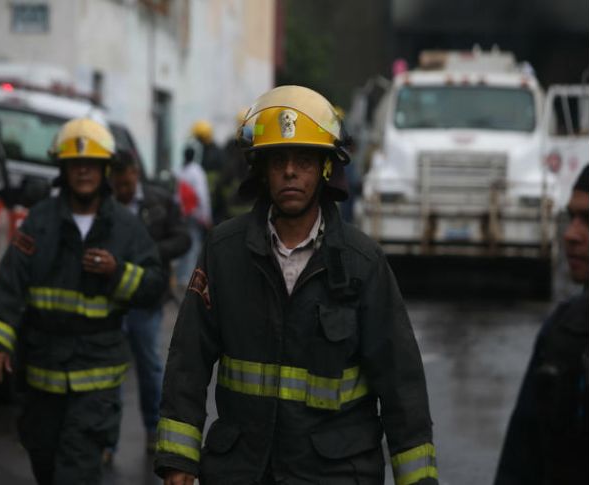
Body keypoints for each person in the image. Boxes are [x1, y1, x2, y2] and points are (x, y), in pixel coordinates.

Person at [154, 86, 438, 485]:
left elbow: (400, 382)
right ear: (262, 169)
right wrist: (178, 461)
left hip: (335, 474)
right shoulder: (224, 252)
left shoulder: (363, 263)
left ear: (325, 169)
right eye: (279, 160)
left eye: (304, 160)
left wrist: (419, 480)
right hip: (242, 470)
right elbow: (188, 359)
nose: (290, 171)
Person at [0, 117, 166, 485]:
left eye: (91, 164)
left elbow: (154, 285)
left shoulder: (126, 229)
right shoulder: (38, 223)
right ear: (63, 170)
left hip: (96, 381)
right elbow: (10, 284)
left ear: (104, 170)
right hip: (42, 375)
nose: (83, 171)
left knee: (77, 472)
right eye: (75, 164)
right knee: (46, 465)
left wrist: (117, 272)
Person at [494, 165, 589, 485]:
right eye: (572, 217)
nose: (571, 234)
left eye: (588, 220)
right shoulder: (563, 331)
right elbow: (520, 463)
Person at [107, 151, 191, 459]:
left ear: (135, 174)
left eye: (127, 183)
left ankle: (154, 432)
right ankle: (107, 441)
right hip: (112, 301)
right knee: (108, 372)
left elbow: (183, 239)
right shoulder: (105, 204)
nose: (123, 190)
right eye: (118, 185)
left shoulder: (160, 202)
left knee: (149, 368)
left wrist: (149, 252)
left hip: (147, 299)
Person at [175, 143, 212, 286]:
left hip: (181, 213)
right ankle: (189, 276)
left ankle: (180, 276)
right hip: (194, 214)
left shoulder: (179, 170)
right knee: (193, 245)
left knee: (181, 244)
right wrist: (206, 216)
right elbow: (202, 195)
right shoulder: (197, 171)